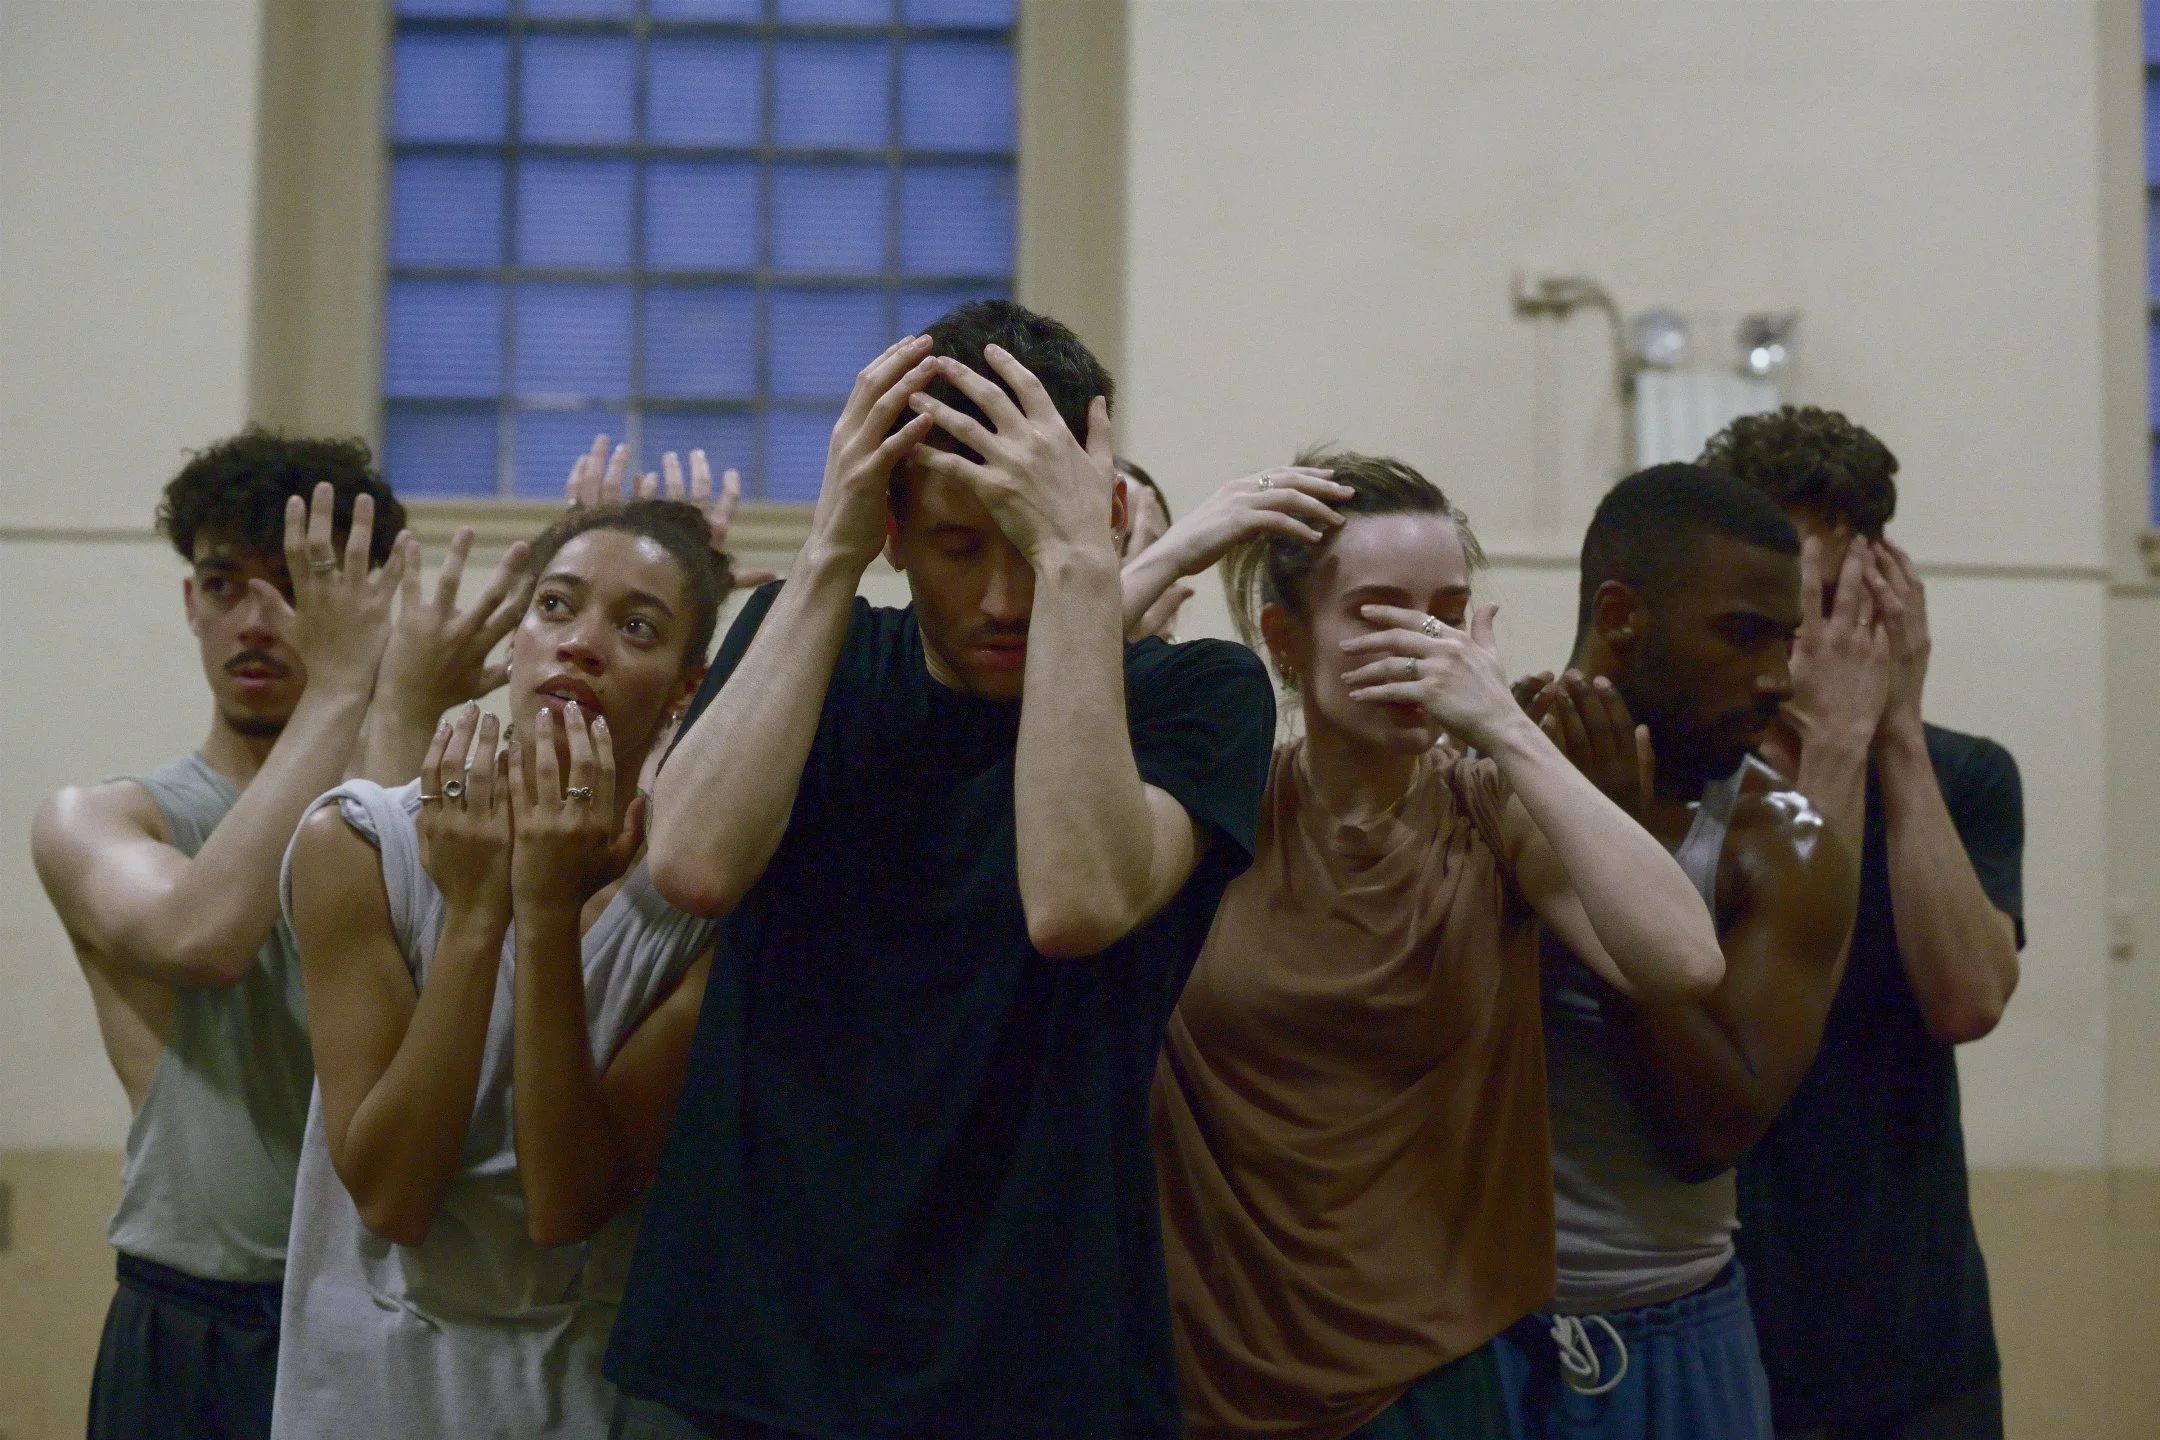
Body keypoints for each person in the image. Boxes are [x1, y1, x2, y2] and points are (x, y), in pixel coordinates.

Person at [603, 301, 1277, 1439]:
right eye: (961, 547)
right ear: (896, 531)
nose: (1004, 599)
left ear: (1105, 518)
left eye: (1029, 543)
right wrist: (830, 548)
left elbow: (1074, 900)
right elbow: (694, 864)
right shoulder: (807, 645)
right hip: (751, 1343)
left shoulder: (1199, 695)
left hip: (1032, 1358)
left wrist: (1078, 560)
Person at [1127, 453, 1727, 1439]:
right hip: (1205, 1368)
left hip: (1425, 1381)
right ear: (1285, 639)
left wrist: (1505, 729)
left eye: (1445, 613)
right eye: (1377, 612)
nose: (1420, 643)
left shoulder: (1487, 807)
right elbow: (1015, 721)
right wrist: (1175, 550)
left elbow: (1684, 962)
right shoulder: (1219, 808)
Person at [273, 498, 731, 1437]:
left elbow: (564, 1204)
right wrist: (479, 913)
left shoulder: (701, 904)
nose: (582, 645)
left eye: (637, 627)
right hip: (378, 1391)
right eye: (555, 606)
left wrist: (546, 910)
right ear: (516, 640)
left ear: (686, 689)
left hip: (588, 1395)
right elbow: (393, 1197)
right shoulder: (355, 842)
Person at [1485, 464, 1867, 1439]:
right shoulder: (1467, 778)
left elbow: (1711, 1131)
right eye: (1742, 635)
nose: (1778, 679)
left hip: (1673, 1335)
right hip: (1463, 1326)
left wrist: (1610, 864)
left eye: (1785, 642)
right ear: (1622, 617)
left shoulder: (1786, 843)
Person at [1702, 408, 2024, 1440]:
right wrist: (1834, 746)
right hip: (1731, 1335)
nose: (1822, 632)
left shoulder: (1967, 774)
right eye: (1797, 602)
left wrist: (1897, 739)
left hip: (1922, 1351)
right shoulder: (1682, 782)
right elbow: (1772, 1016)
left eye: (1843, 596)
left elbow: (1967, 1001)